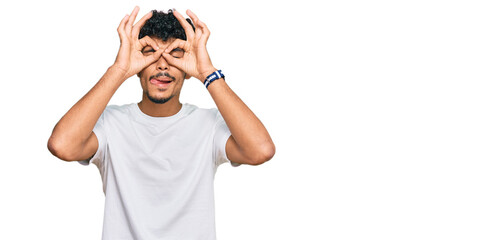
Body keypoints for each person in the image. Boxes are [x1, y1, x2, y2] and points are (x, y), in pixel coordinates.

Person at [47, 6, 275, 240]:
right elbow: (62, 145)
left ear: (188, 66)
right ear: (137, 65)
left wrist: (207, 72)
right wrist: (119, 69)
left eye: (175, 54)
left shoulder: (209, 124)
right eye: (149, 53)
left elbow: (261, 150)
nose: (162, 65)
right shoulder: (109, 123)